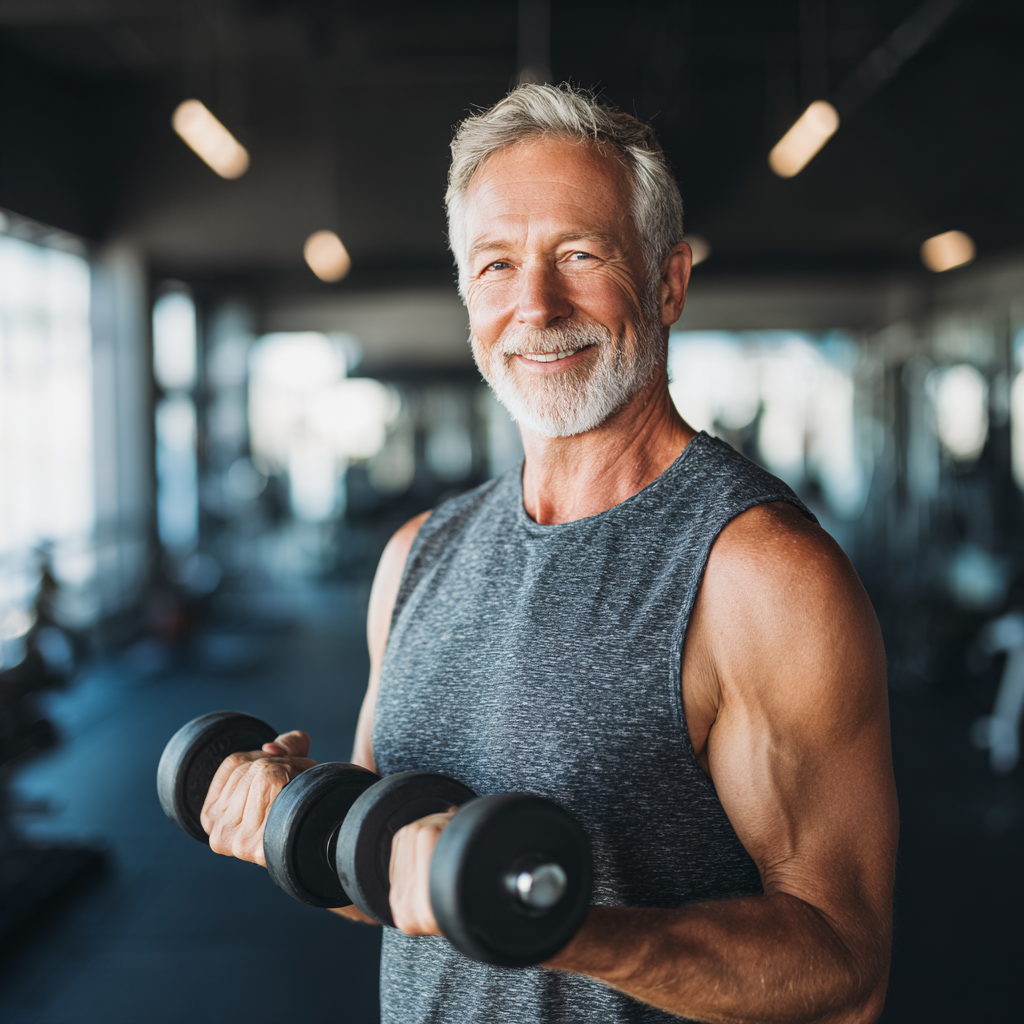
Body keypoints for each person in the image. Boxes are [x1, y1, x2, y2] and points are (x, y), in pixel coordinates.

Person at [201, 83, 898, 1024]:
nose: (534, 303)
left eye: (579, 254)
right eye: (495, 265)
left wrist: (559, 925)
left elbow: (842, 961)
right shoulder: (418, 555)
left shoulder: (758, 573)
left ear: (667, 282)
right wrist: (284, 819)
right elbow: (390, 884)